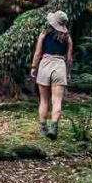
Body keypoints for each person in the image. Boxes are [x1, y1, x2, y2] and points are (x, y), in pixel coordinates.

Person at [31, 10, 73, 139]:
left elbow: (38, 53)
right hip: (60, 66)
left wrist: (34, 67)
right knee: (57, 101)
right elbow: (69, 58)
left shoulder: (44, 34)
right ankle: (53, 128)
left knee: (44, 100)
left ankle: (43, 128)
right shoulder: (68, 38)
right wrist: (68, 73)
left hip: (45, 65)